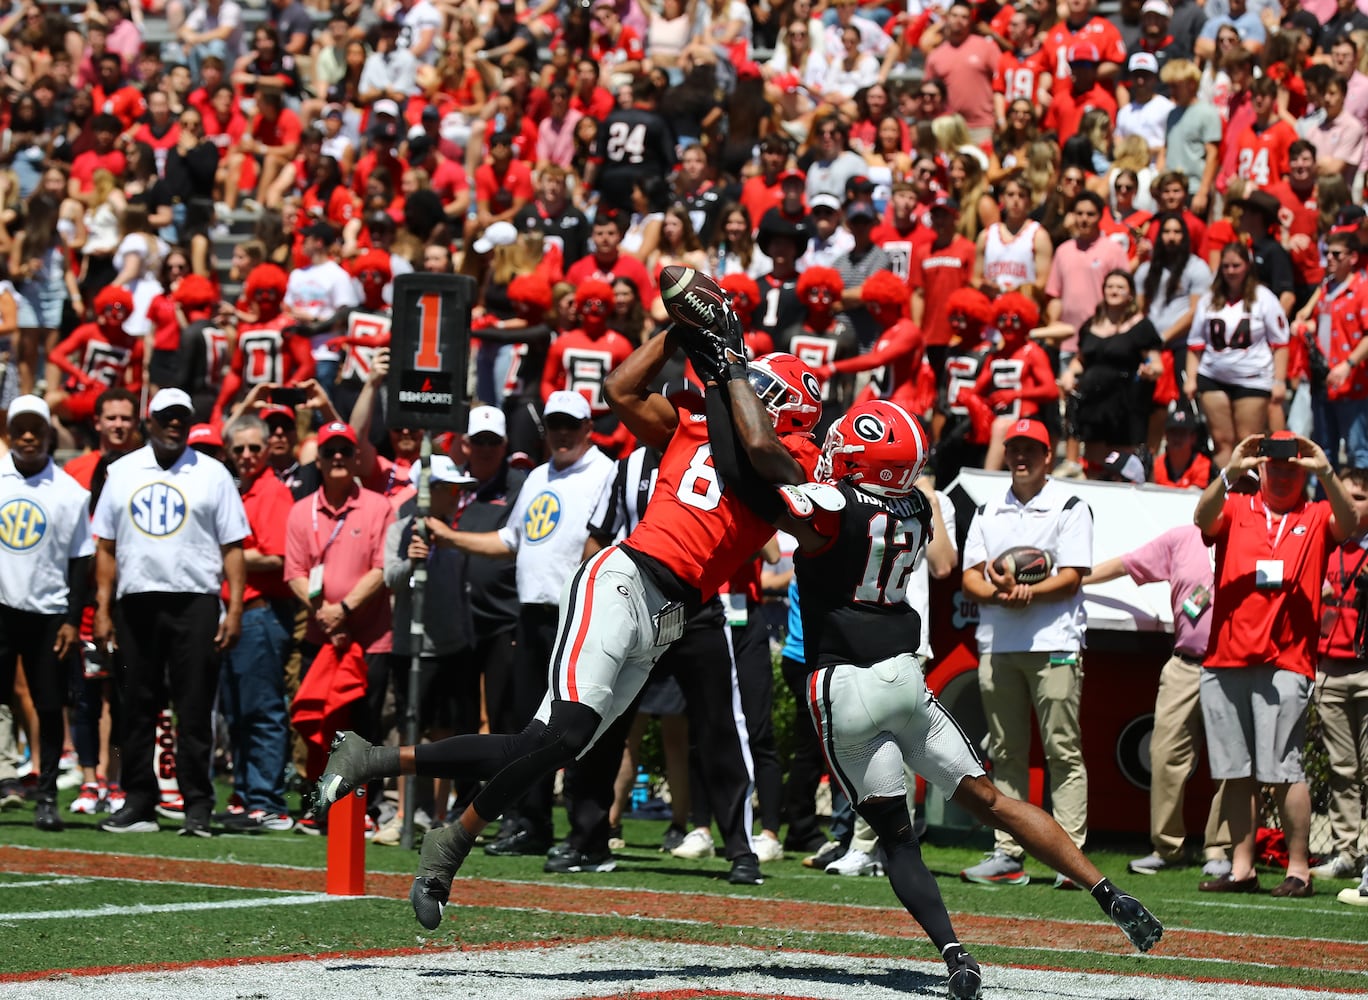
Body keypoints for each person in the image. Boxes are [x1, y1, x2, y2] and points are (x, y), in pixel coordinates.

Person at [696, 350, 1161, 992]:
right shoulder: (915, 509)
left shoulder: (831, 508)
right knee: (994, 800)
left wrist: (724, 392)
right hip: (906, 679)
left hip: (845, 684)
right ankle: (1109, 895)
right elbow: (921, 527)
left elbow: (750, 476)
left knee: (897, 839)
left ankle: (954, 955)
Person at [316, 346, 828, 921]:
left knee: (548, 746)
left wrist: (728, 372)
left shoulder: (791, 456)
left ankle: (387, 774)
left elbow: (774, 473)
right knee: (563, 735)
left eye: (759, 392)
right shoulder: (698, 423)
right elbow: (619, 390)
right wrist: (672, 333)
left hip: (670, 619)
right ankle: (434, 826)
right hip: (626, 578)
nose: (746, 396)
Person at [1194, 431, 1358, 897]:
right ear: (1260, 468)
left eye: (1293, 466)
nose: (1284, 472)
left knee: (1285, 770)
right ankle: (1242, 867)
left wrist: (1325, 469)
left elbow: (1350, 523)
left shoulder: (1316, 512)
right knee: (1236, 771)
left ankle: (1299, 869)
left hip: (1286, 660)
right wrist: (1230, 469)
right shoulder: (1239, 506)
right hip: (1225, 659)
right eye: (1275, 465)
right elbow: (1201, 517)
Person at [92, 387, 249, 836]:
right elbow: (105, 546)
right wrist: (102, 608)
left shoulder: (213, 473)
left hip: (194, 601)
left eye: (182, 416)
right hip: (137, 600)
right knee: (136, 706)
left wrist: (234, 608)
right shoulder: (119, 471)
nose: (175, 424)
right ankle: (139, 800)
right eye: (167, 416)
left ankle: (197, 803)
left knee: (194, 707)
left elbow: (233, 546)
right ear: (150, 420)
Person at [960, 418, 1094, 886]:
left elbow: (1075, 574)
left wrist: (1028, 593)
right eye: (1014, 449)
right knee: (1005, 752)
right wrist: (1000, 594)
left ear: (1047, 458)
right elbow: (970, 577)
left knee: (1062, 750)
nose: (1021, 457)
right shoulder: (987, 509)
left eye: (1030, 450)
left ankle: (1071, 857)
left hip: (1054, 642)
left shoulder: (1070, 504)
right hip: (998, 644)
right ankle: (1008, 852)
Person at [1084, 525, 1232, 877]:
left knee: (1231, 765)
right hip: (1184, 665)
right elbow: (1127, 564)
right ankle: (1167, 847)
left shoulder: (1255, 536)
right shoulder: (1183, 537)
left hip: (1233, 669)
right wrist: (1074, 580)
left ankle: (1221, 850)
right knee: (1164, 756)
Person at [0, 396, 95, 832]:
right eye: (20, 427)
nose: (27, 436)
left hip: (48, 615)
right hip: (2, 608)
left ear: (48, 434)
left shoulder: (71, 493)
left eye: (35, 428)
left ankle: (46, 796)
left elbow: (81, 560)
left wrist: (72, 619)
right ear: (10, 432)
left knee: (50, 704)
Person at [218, 413, 297, 832]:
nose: (247, 455)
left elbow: (279, 556)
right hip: (240, 612)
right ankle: (249, 796)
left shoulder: (272, 492)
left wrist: (224, 553)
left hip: (262, 611)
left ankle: (267, 802)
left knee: (262, 710)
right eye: (239, 449)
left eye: (254, 448)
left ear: (268, 449)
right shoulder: (242, 491)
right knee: (238, 711)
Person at [1309, 467, 1368, 883]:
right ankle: (1347, 850)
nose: (1351, 503)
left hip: (1366, 668)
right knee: (1342, 768)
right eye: (1344, 495)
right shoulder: (1323, 544)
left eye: (1360, 497)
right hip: (1329, 669)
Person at [1184, 241, 1289, 469]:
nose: (1230, 271)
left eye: (1236, 265)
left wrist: (1279, 381)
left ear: (1248, 266)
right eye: (1226, 266)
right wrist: (1192, 378)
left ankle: (1249, 493)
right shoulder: (1209, 299)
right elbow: (1195, 344)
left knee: (1248, 440)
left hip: (1252, 377)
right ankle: (1224, 493)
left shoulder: (1264, 298)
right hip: (1213, 375)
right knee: (1221, 440)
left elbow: (1280, 343)